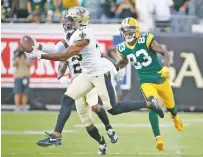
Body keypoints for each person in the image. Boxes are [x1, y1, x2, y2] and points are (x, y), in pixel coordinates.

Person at [25, 6, 164, 153]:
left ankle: (149, 103)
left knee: (113, 109)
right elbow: (56, 49)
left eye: (71, 19)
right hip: (86, 73)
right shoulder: (72, 34)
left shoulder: (84, 35)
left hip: (99, 73)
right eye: (68, 19)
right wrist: (36, 46)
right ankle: (56, 135)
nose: (67, 22)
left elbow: (65, 55)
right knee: (68, 98)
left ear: (80, 21)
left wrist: (40, 55)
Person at [33, 39, 119, 155]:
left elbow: (102, 59)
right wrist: (60, 76)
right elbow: (62, 64)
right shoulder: (68, 49)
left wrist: (115, 67)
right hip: (77, 85)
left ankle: (109, 128)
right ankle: (101, 143)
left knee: (94, 105)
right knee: (87, 124)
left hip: (90, 79)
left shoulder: (87, 45)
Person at [116, 17, 184, 151]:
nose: (127, 34)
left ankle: (174, 116)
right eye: (125, 31)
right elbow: (125, 61)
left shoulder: (145, 39)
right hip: (146, 82)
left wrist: (166, 67)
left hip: (160, 79)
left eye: (130, 31)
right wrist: (115, 67)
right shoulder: (122, 48)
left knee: (171, 107)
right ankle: (158, 138)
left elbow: (165, 53)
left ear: (136, 30)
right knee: (152, 104)